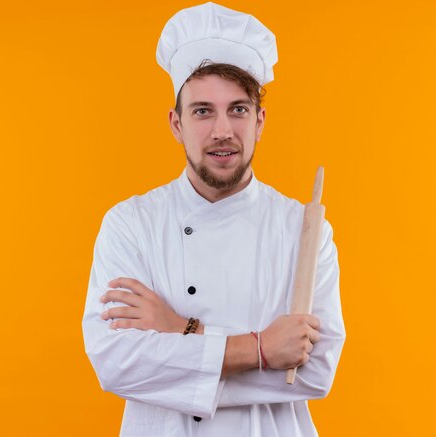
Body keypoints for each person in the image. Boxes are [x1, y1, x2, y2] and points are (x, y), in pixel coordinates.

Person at [82, 3, 346, 436]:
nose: (222, 130)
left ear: (260, 121)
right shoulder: (130, 224)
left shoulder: (303, 230)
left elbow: (315, 373)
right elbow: (117, 363)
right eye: (203, 111)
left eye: (238, 110)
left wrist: (179, 332)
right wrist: (261, 350)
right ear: (176, 123)